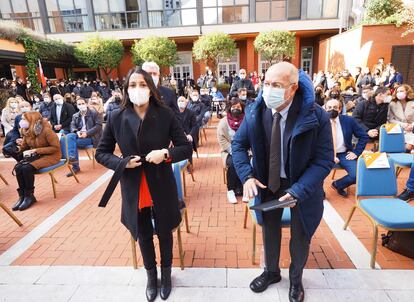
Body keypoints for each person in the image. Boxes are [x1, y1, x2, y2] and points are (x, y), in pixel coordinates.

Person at [232, 62, 334, 302]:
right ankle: (271, 272)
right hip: (269, 183)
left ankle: (296, 280)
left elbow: (323, 161)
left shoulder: (315, 116)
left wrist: (298, 191)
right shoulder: (257, 111)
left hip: (302, 188)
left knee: (300, 235)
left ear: (293, 88)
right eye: (266, 84)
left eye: (276, 85)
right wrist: (247, 175)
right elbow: (238, 145)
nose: (269, 90)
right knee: (270, 230)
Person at [95, 67, 192, 302]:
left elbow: (185, 147)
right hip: (133, 184)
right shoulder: (117, 116)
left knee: (164, 230)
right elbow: (101, 152)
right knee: (143, 233)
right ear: (126, 89)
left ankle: (166, 273)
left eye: (142, 84)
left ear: (151, 87)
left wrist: (166, 154)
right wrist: (121, 163)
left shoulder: (165, 114)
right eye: (132, 85)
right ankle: (151, 275)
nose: (137, 89)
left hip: (160, 182)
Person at [12, 111, 61, 211]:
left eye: (24, 119)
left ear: (32, 120)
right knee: (18, 167)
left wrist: (36, 150)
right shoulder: (27, 131)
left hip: (51, 156)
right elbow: (24, 146)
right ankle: (22, 196)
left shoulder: (47, 131)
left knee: (26, 168)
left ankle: (30, 196)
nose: (22, 121)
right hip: (37, 156)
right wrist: (16, 149)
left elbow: (55, 148)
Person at [326, 99, 369, 197]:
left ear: (340, 109)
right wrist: (329, 155)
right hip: (325, 153)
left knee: (356, 175)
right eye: (329, 108)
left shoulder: (348, 120)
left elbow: (364, 136)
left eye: (335, 107)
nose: (332, 110)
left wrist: (356, 152)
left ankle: (338, 184)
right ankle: (319, 192)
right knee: (315, 173)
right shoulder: (320, 121)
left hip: (343, 153)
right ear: (325, 108)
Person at [63, 98, 103, 177]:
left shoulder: (95, 113)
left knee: (72, 143)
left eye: (82, 103)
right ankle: (72, 157)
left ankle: (75, 165)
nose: (81, 106)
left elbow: (98, 126)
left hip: (92, 137)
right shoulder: (75, 115)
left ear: (86, 103)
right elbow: (72, 125)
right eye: (79, 104)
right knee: (69, 136)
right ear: (77, 106)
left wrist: (86, 133)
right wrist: (76, 131)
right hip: (79, 135)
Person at [217, 97, 246, 204]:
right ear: (230, 108)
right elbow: (221, 139)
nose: (236, 109)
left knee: (250, 162)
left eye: (238, 107)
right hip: (229, 150)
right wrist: (233, 151)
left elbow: (252, 136)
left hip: (245, 149)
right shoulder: (223, 122)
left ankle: (245, 188)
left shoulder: (247, 120)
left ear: (242, 108)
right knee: (234, 163)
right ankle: (231, 190)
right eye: (233, 107)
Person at [387, 84, 414, 151]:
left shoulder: (413, 103)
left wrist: (412, 126)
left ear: (407, 92)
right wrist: (403, 125)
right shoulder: (392, 104)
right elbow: (390, 119)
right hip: (398, 128)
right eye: (398, 92)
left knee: (410, 142)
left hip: (411, 129)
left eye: (401, 91)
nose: (399, 93)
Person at [177, 96, 198, 161]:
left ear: (186, 103)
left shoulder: (191, 113)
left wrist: (190, 135)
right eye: (179, 101)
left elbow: (195, 126)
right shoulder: (173, 113)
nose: (181, 102)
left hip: (188, 135)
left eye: (182, 101)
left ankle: (189, 163)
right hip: (177, 135)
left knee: (188, 143)